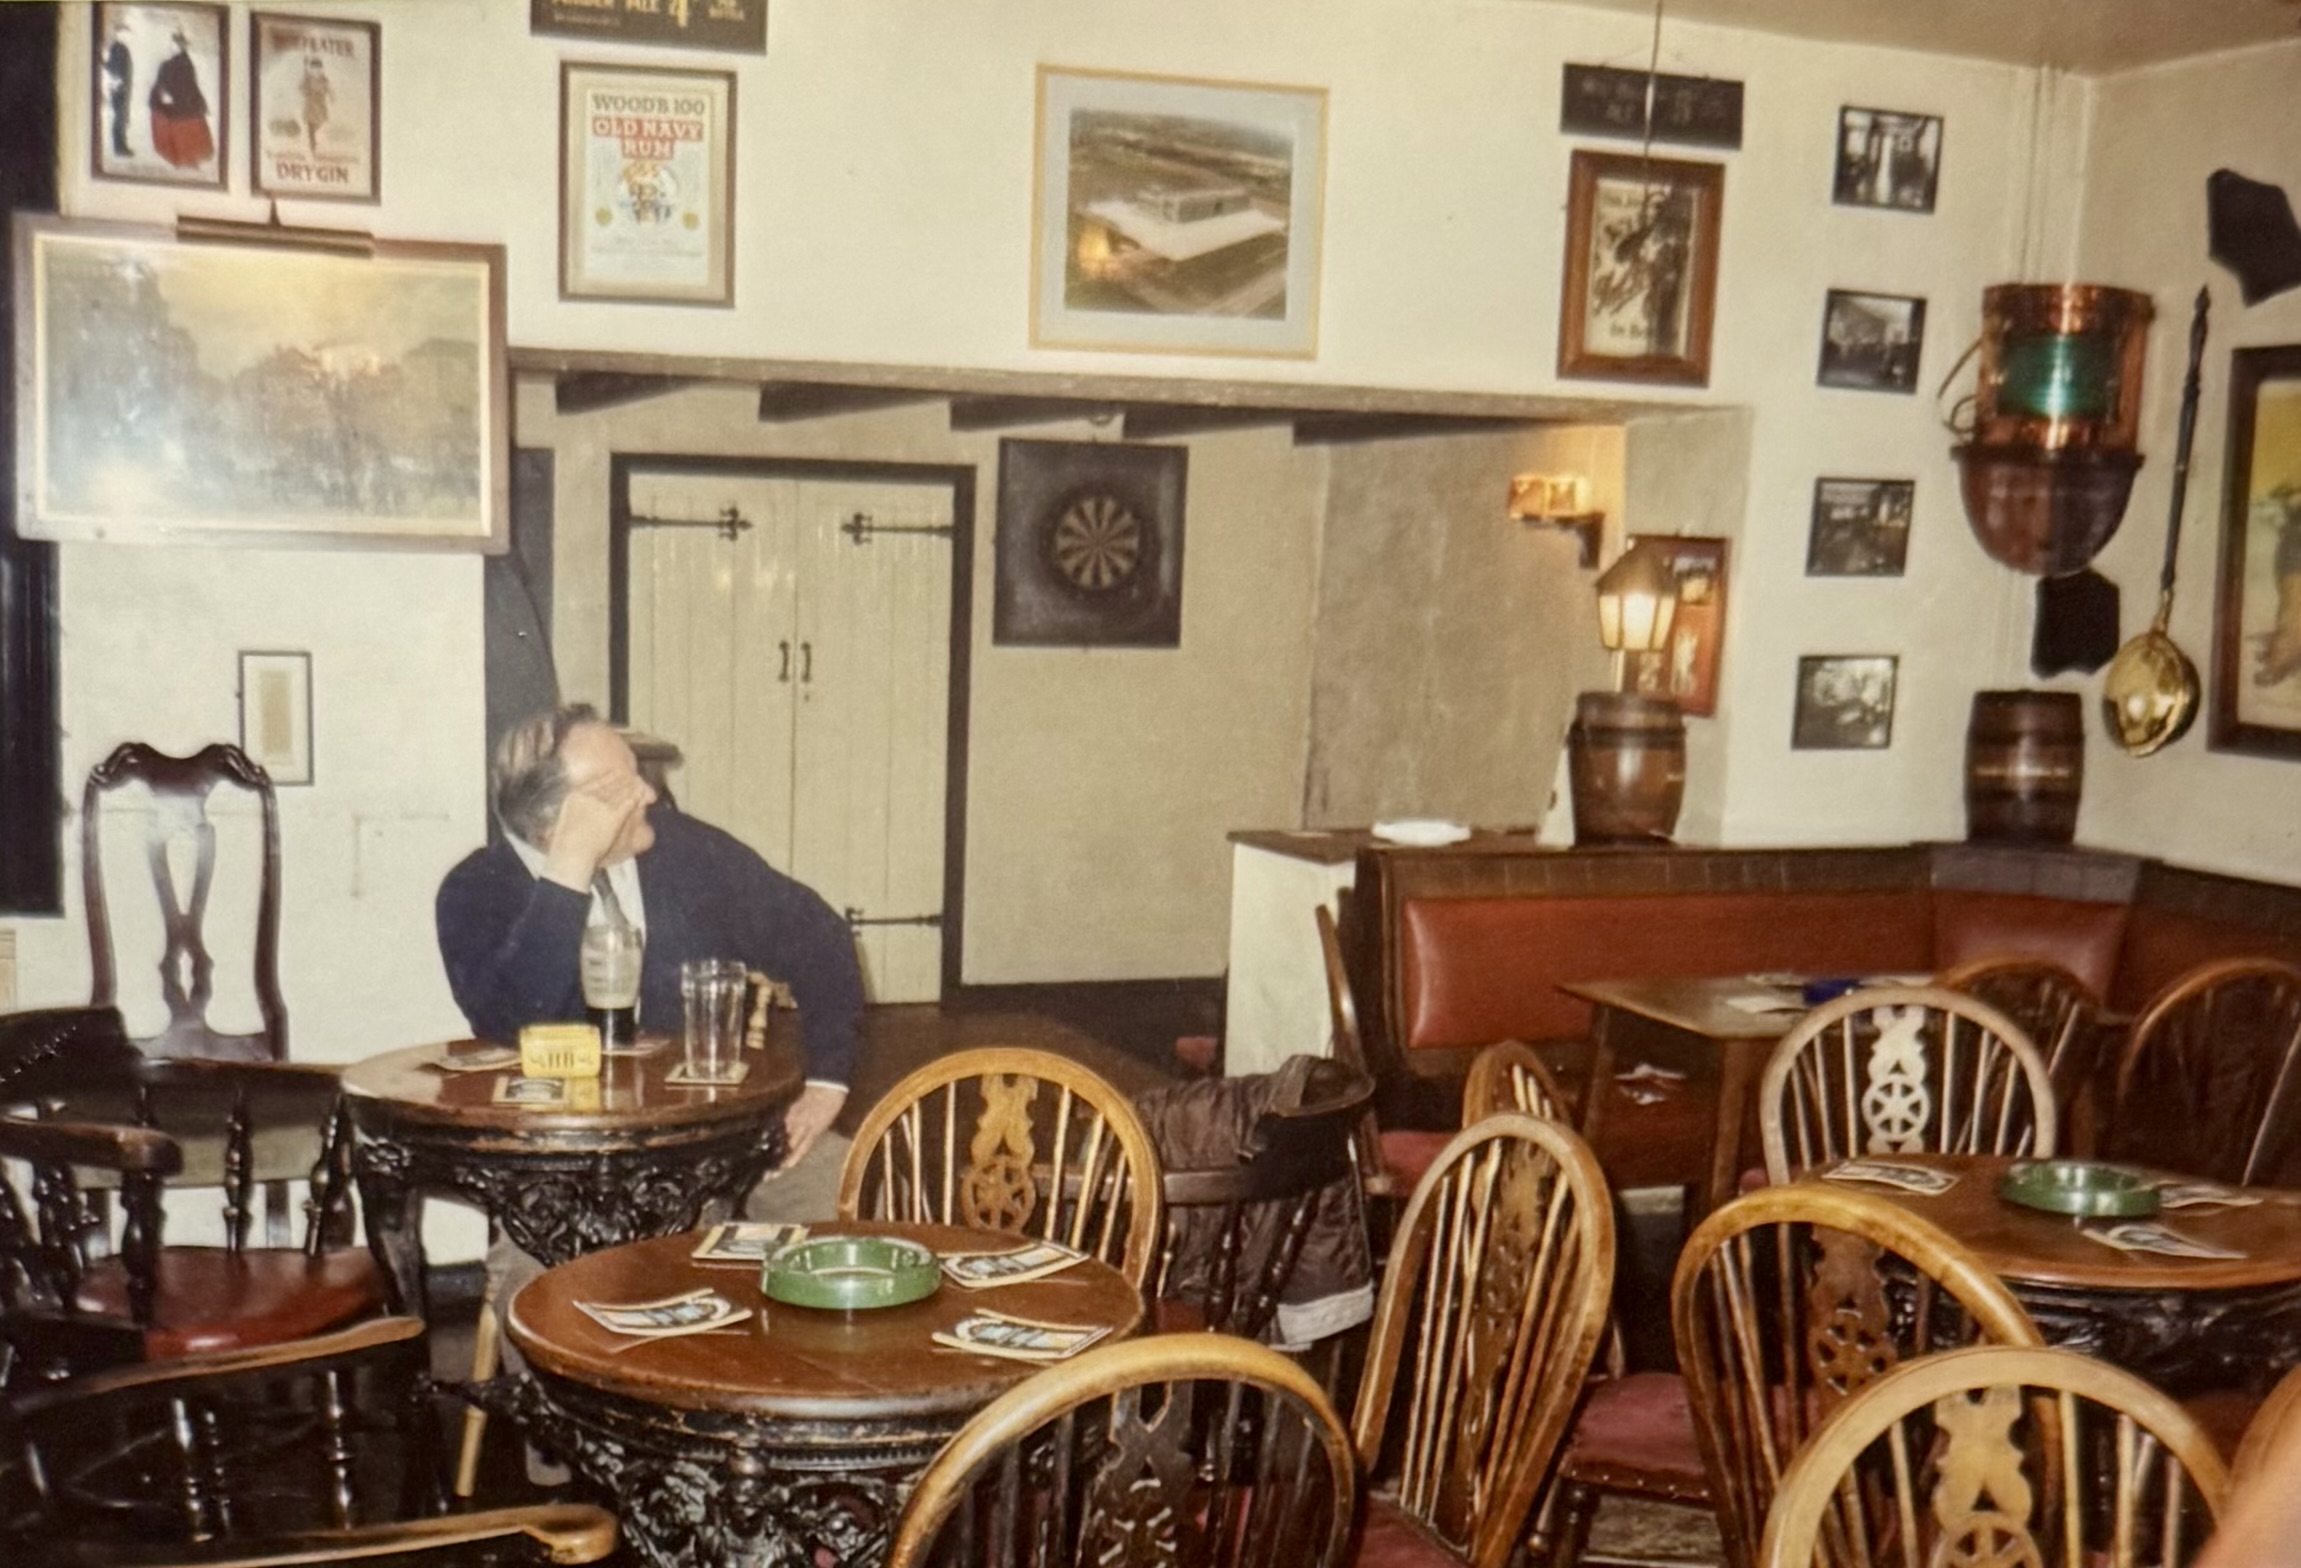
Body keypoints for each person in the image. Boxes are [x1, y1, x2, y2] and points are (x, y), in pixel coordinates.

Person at [436, 703, 865, 1216]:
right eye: (622, 789)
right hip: (562, 1167)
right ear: (556, 822)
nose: (651, 795)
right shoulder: (476, 891)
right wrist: (569, 868)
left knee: (852, 1191)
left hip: (721, 1141)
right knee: (555, 1286)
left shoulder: (683, 850)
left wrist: (826, 1082)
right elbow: (517, 1021)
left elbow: (821, 937)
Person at [146, 29, 213, 171]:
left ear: (179, 46)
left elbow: (179, 84)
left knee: (181, 129)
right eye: (172, 43)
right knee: (185, 128)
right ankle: (186, 159)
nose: (171, 46)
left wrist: (165, 96)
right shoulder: (180, 63)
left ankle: (185, 159)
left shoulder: (176, 64)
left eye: (174, 44)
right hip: (183, 103)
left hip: (179, 104)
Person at [102, 23, 132, 158]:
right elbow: (112, 67)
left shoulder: (122, 48)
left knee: (122, 117)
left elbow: (109, 65)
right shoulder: (117, 48)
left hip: (123, 88)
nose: (126, 36)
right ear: (118, 34)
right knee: (119, 118)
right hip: (119, 88)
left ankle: (121, 146)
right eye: (124, 33)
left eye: (126, 34)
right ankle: (119, 148)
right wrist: (116, 80)